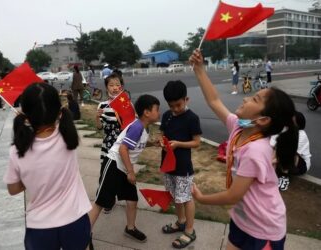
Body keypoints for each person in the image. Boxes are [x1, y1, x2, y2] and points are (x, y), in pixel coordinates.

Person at [189, 49, 298, 250]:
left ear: (263, 120)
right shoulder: (239, 127)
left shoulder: (255, 151)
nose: (246, 99)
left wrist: (202, 198)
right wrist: (199, 70)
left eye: (254, 100)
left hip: (264, 229)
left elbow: (232, 196)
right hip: (243, 219)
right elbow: (214, 101)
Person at [3, 83, 92, 250]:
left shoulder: (17, 150)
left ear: (26, 116)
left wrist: (30, 179)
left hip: (40, 228)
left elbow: (13, 189)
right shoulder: (68, 136)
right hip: (76, 220)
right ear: (59, 112)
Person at [88, 94, 160, 244]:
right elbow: (123, 149)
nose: (158, 112)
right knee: (101, 202)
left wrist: (152, 144)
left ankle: (130, 228)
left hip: (124, 167)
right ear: (147, 112)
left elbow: (133, 144)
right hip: (114, 164)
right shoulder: (137, 127)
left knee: (132, 199)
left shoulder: (144, 127)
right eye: (156, 109)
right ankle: (83, 234)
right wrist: (131, 172)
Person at [160, 80, 202, 249]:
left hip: (183, 167)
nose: (175, 109)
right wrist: (161, 142)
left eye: (178, 105)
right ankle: (181, 221)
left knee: (186, 198)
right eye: (171, 106)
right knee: (175, 195)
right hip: (168, 165)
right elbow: (163, 135)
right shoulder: (166, 115)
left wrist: (178, 144)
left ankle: (190, 230)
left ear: (186, 99)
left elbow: (197, 142)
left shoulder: (192, 118)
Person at [95, 72, 124, 213]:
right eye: (111, 85)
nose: (115, 87)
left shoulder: (126, 104)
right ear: (107, 88)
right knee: (105, 174)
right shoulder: (103, 105)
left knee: (119, 173)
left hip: (122, 145)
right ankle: (108, 200)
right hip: (108, 145)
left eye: (117, 85)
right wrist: (97, 117)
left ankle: (117, 195)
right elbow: (100, 127)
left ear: (121, 87)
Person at [270, 111, 312, 191]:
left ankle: (284, 177)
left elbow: (291, 153)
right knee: (273, 148)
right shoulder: (283, 129)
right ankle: (272, 171)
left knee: (289, 153)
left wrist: (271, 162)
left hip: (299, 164)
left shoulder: (302, 135)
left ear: (298, 124)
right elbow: (272, 144)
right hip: (280, 159)